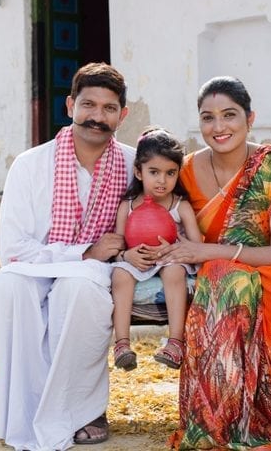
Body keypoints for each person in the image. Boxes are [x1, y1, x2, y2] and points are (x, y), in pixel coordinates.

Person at [155, 76, 271, 450]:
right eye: (208, 118)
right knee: (224, 280)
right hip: (223, 268)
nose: (219, 127)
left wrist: (210, 252)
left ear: (250, 118)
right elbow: (155, 209)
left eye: (229, 115)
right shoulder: (185, 171)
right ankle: (215, 423)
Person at [0, 62, 136, 451]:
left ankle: (81, 410)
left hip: (98, 272)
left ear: (123, 114)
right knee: (7, 287)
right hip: (35, 267)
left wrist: (95, 259)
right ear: (70, 105)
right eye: (88, 105)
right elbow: (13, 249)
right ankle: (24, 410)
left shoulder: (136, 164)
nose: (97, 117)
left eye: (108, 108)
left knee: (78, 289)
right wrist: (83, 251)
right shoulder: (30, 164)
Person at [110, 127, 201, 372]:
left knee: (174, 272)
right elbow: (119, 244)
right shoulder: (127, 206)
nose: (162, 180)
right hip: (137, 262)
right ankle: (122, 345)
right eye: (154, 172)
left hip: (172, 260)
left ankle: (175, 342)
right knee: (119, 274)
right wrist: (126, 256)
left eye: (170, 173)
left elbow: (197, 246)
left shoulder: (180, 206)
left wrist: (172, 250)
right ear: (138, 172)